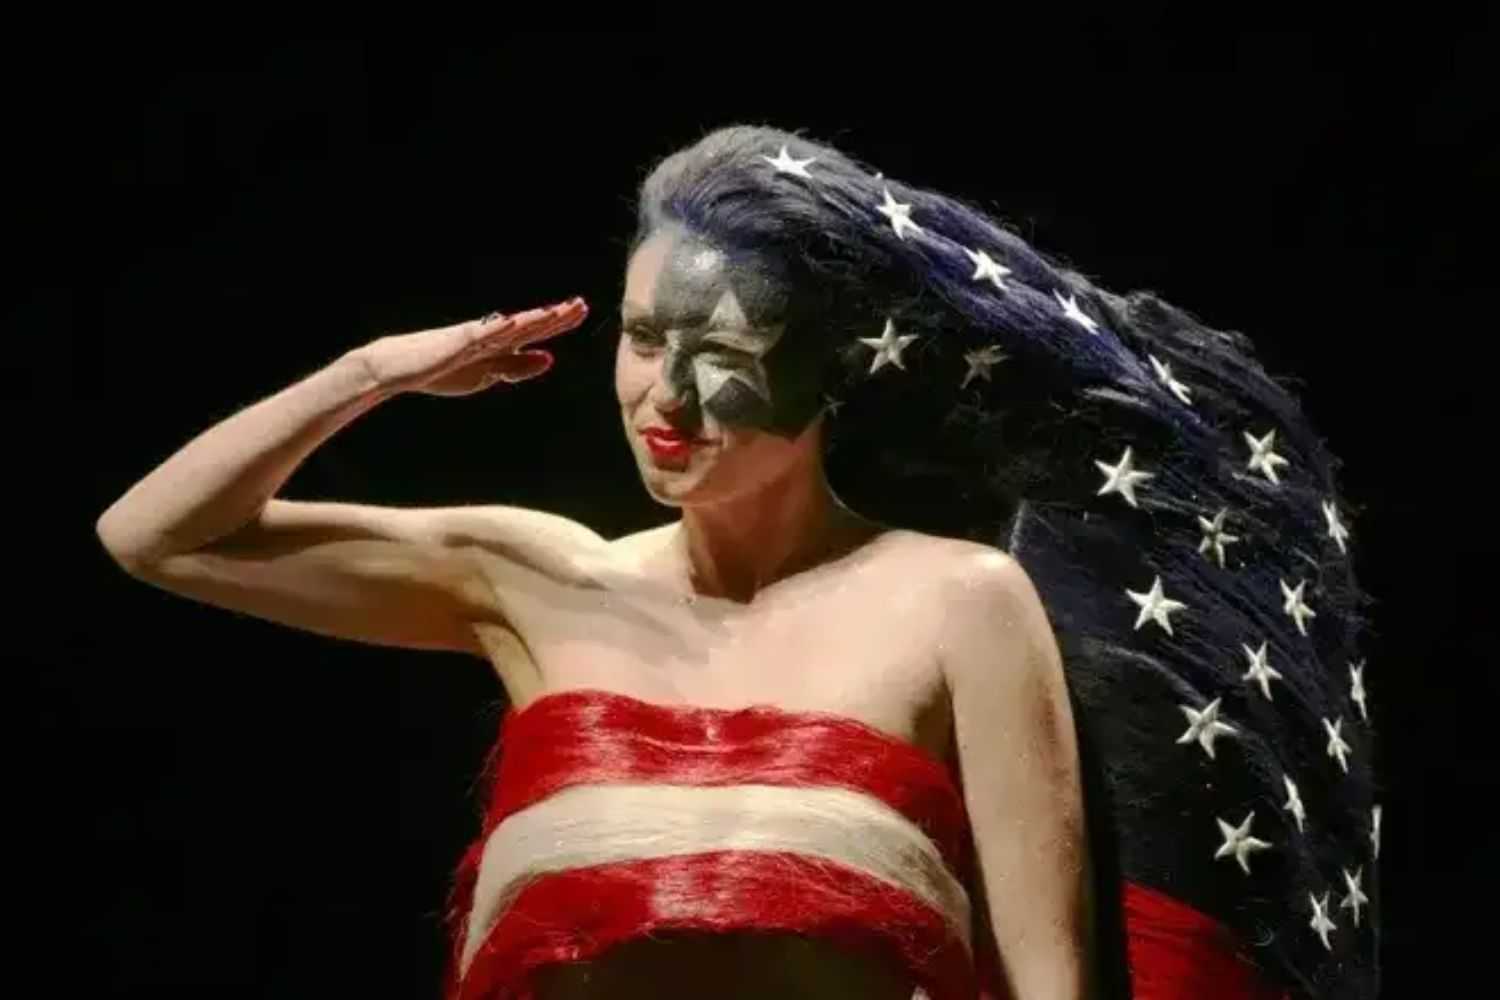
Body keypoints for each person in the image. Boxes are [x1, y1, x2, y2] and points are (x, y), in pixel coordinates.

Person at [95, 123, 1378, 1000]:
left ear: (829, 376)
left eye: (729, 351)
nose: (671, 395)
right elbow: (154, 536)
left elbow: (1049, 982)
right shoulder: (534, 577)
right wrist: (376, 372)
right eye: (646, 338)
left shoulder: (955, 601)